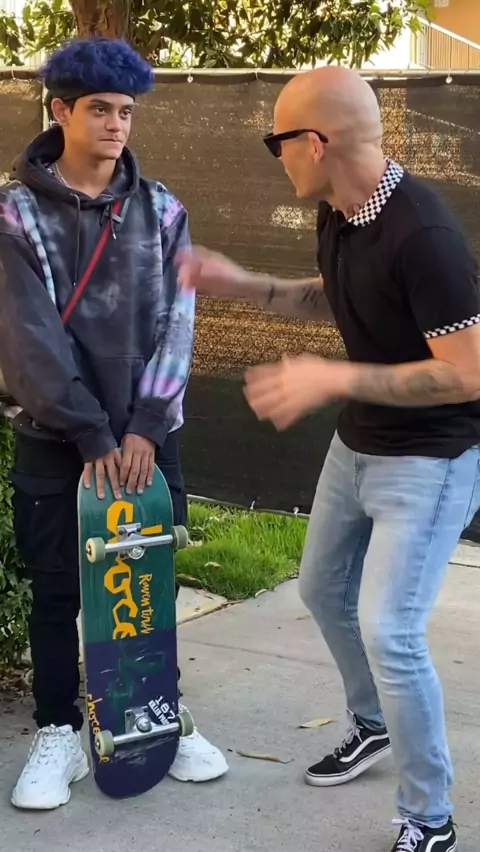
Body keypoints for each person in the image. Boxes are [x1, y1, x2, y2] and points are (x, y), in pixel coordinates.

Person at [176, 65, 480, 852]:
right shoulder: (341, 212)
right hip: (360, 442)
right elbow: (334, 291)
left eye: (276, 139)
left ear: (314, 143)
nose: (274, 153)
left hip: (431, 458)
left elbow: (468, 373)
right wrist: (243, 283)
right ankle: (373, 723)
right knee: (320, 588)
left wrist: (334, 378)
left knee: (392, 631)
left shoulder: (425, 235)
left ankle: (429, 817)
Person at [0, 37, 228, 811]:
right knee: (58, 592)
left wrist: (146, 427)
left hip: (144, 439)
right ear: (60, 110)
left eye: (126, 111)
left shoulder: (162, 210)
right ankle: (60, 730)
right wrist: (91, 431)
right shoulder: (14, 212)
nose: (116, 124)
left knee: (147, 582)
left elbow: (180, 322)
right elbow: (26, 337)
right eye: (99, 108)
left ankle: (154, 717)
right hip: (56, 436)